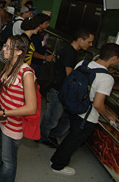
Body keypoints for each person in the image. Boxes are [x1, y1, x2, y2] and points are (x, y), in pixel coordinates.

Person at [50, 43, 119, 176]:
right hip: (87, 116)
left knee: (71, 137)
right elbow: (98, 104)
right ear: (114, 58)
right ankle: (58, 165)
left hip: (73, 107)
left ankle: (56, 159)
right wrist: (109, 116)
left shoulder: (84, 63)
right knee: (74, 141)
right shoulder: (107, 78)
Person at [0, 35, 37, 182]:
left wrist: (3, 112)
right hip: (2, 118)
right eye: (5, 45)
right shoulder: (9, 65)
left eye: (8, 47)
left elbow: (31, 108)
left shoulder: (26, 73)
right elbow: (10, 90)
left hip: (12, 123)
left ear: (19, 52)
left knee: (9, 162)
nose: (4, 49)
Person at [39, 29, 94, 148]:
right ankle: (42, 137)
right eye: (89, 42)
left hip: (60, 89)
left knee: (60, 116)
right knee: (52, 117)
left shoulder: (71, 50)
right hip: (58, 89)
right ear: (80, 39)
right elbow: (70, 76)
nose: (90, 45)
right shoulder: (70, 52)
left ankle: (50, 135)